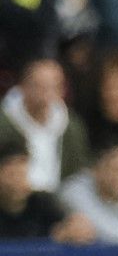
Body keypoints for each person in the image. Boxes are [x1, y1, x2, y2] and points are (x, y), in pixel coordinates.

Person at [0, 58, 91, 191]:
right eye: (38, 86)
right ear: (23, 86)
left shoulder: (71, 126)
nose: (45, 94)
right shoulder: (4, 123)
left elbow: (77, 170)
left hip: (58, 200)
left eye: (52, 87)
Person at [0, 142, 91, 242]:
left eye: (21, 173)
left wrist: (71, 231)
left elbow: (75, 226)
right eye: (11, 174)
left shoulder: (43, 203)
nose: (17, 181)